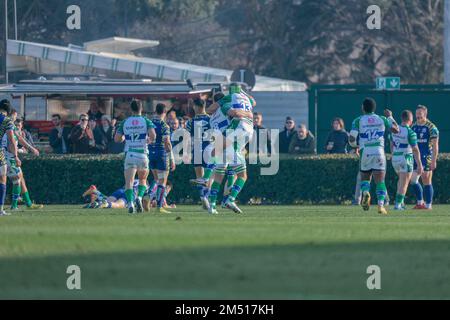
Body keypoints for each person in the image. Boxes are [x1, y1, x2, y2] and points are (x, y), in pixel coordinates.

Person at [349, 98, 399, 215]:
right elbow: (396, 130)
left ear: (363, 108)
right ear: (374, 108)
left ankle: (366, 192)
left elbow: (351, 138)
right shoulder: (382, 119)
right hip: (379, 152)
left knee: (365, 178)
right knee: (380, 181)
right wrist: (390, 116)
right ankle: (381, 206)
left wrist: (355, 146)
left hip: (365, 151)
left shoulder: (358, 120)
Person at [115, 100, 156, 214]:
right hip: (142, 154)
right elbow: (153, 135)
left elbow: (117, 139)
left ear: (131, 109)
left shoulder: (125, 122)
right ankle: (139, 197)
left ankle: (131, 203)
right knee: (143, 179)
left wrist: (124, 138)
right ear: (141, 108)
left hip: (130, 153)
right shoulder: (146, 120)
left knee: (129, 182)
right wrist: (149, 140)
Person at [2, 111, 43, 211]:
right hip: (8, 157)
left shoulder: (11, 126)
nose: (15, 118)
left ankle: (27, 203)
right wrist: (15, 156)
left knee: (19, 178)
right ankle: (15, 205)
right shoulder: (7, 126)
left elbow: (19, 138)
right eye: (15, 115)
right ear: (10, 114)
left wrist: (31, 148)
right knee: (16, 180)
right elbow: (10, 143)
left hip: (8, 156)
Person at [391, 110, 423, 211]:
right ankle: (398, 205)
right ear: (410, 119)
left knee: (401, 181)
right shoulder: (410, 132)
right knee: (404, 183)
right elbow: (415, 149)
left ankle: (401, 203)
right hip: (406, 158)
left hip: (395, 158)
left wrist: (394, 155)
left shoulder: (394, 129)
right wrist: (419, 164)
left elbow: (391, 145)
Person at [148, 103, 176, 214]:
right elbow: (167, 144)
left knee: (156, 179)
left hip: (151, 155)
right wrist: (172, 158)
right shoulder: (164, 126)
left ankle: (147, 195)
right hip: (161, 155)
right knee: (162, 181)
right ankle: (159, 206)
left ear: (155, 111)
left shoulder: (149, 124)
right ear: (164, 113)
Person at [186, 98, 213, 210]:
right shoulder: (210, 119)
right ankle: (206, 197)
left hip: (196, 149)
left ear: (196, 107)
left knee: (199, 176)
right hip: (208, 148)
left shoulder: (191, 121)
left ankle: (202, 197)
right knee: (209, 176)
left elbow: (187, 137)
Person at [411, 105, 440, 210]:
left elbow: (435, 145)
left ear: (425, 114)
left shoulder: (431, 127)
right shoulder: (413, 126)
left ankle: (428, 205)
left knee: (426, 180)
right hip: (415, 158)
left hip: (426, 157)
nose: (418, 117)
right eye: (417, 115)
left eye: (420, 115)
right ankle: (420, 202)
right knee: (413, 180)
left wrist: (433, 160)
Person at [0, 100, 20, 216]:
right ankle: (0, 209)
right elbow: (12, 141)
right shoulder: (7, 121)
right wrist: (16, 156)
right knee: (2, 178)